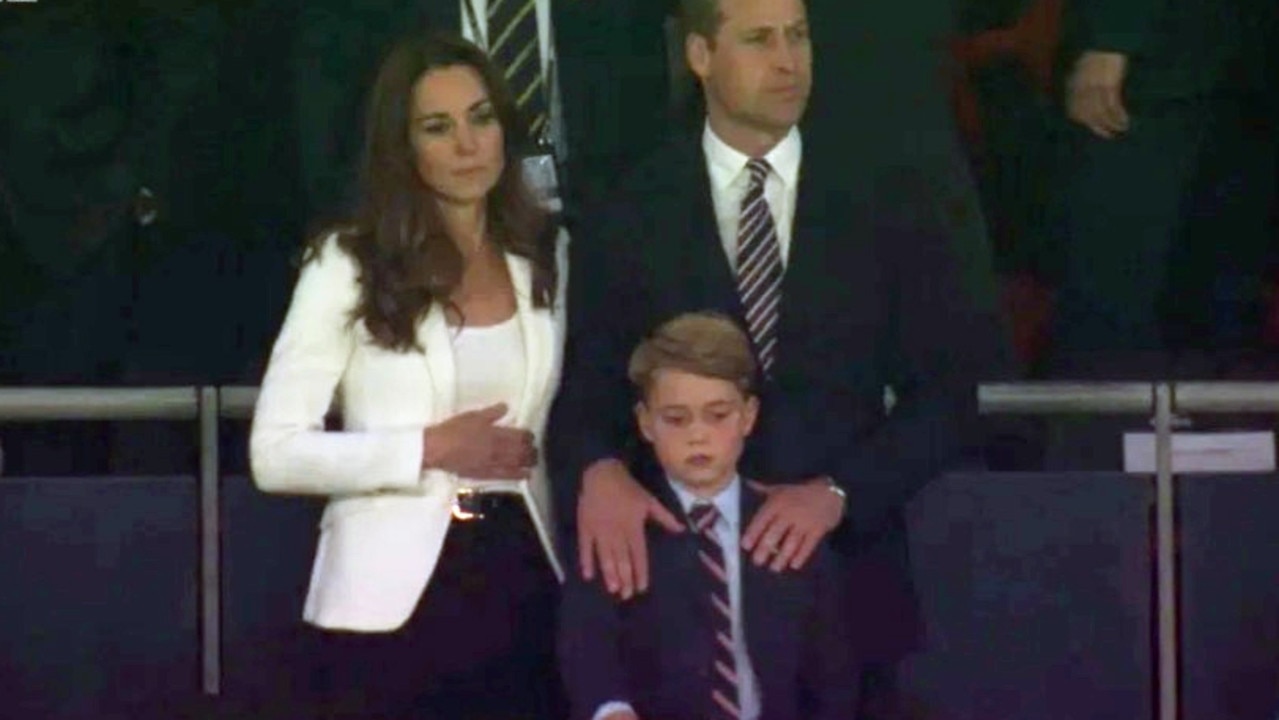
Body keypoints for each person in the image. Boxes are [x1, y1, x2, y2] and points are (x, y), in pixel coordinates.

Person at [547, 0, 1006, 716]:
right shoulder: (630, 206)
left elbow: (949, 394)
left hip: (848, 594)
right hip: (676, 615)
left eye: (797, 37)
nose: (788, 61)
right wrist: (596, 469)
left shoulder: (886, 193)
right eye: (759, 39)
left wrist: (838, 494)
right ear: (699, 55)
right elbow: (585, 395)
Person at [250, 32, 568, 720]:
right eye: (438, 127)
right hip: (389, 599)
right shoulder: (346, 260)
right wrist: (427, 449)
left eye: (481, 119)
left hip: (525, 573)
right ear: (403, 145)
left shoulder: (543, 253)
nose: (467, 144)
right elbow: (273, 453)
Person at [559, 312, 859, 720]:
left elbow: (832, 674)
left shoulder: (790, 531)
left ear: (748, 416)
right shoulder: (620, 529)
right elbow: (589, 649)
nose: (697, 435)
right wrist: (611, 710)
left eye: (717, 415)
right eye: (676, 418)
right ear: (645, 422)